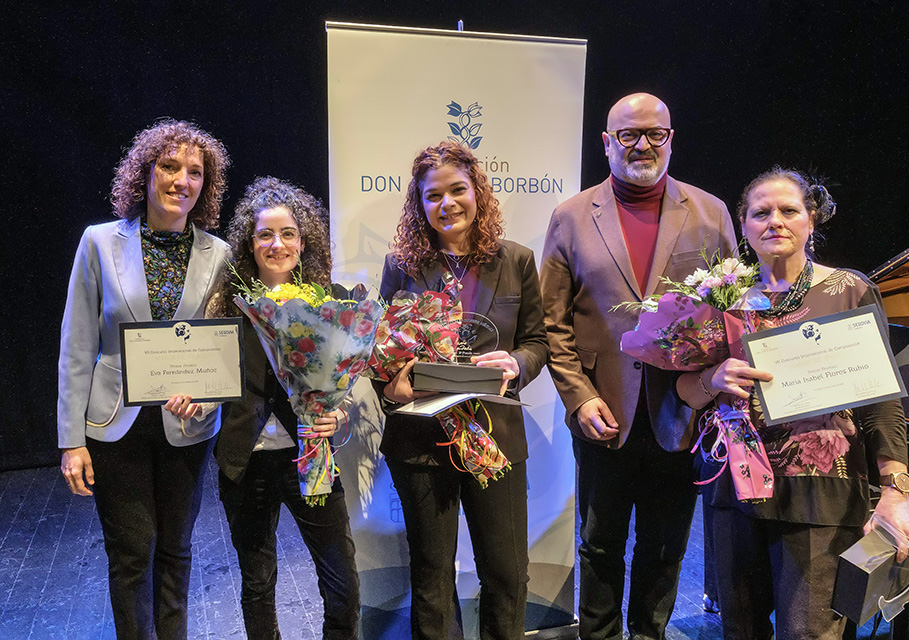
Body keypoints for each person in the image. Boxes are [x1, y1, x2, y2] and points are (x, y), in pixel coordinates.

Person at [677, 168, 909, 640]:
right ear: (743, 224)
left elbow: (882, 400)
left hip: (824, 490)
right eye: (761, 212)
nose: (775, 220)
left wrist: (896, 490)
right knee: (739, 630)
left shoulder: (848, 289)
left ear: (810, 221)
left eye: (789, 210)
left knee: (809, 632)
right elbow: (685, 393)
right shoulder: (718, 297)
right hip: (735, 484)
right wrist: (712, 379)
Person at [540, 93, 738, 640]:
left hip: (684, 411)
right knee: (599, 544)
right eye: (629, 135)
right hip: (603, 415)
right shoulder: (571, 216)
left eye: (656, 133)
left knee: (667, 546)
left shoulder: (710, 211)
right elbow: (551, 324)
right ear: (607, 143)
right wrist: (579, 398)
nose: (643, 144)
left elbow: (729, 313)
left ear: (671, 139)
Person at [58, 119, 230, 639]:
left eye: (194, 172)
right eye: (170, 166)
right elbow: (76, 345)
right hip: (114, 423)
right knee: (132, 555)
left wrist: (201, 401)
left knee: (176, 552)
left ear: (206, 184)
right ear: (146, 172)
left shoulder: (218, 254)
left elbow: (219, 349)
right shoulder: (99, 242)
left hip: (186, 426)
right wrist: (71, 440)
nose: (181, 180)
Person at [377, 141, 549, 640]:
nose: (447, 204)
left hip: (494, 437)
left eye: (458, 190)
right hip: (421, 440)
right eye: (433, 196)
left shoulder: (516, 260)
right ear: (419, 204)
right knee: (431, 575)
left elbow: (538, 342)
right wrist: (392, 385)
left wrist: (516, 363)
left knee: (507, 572)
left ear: (478, 193)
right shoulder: (401, 265)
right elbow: (380, 346)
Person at [194, 176, 361, 639]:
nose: (277, 243)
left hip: (309, 457)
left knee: (342, 584)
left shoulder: (327, 303)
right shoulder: (225, 302)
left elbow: (346, 386)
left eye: (287, 233)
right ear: (250, 242)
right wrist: (193, 398)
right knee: (257, 583)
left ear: (302, 240)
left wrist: (338, 415)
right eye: (265, 234)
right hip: (244, 460)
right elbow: (207, 374)